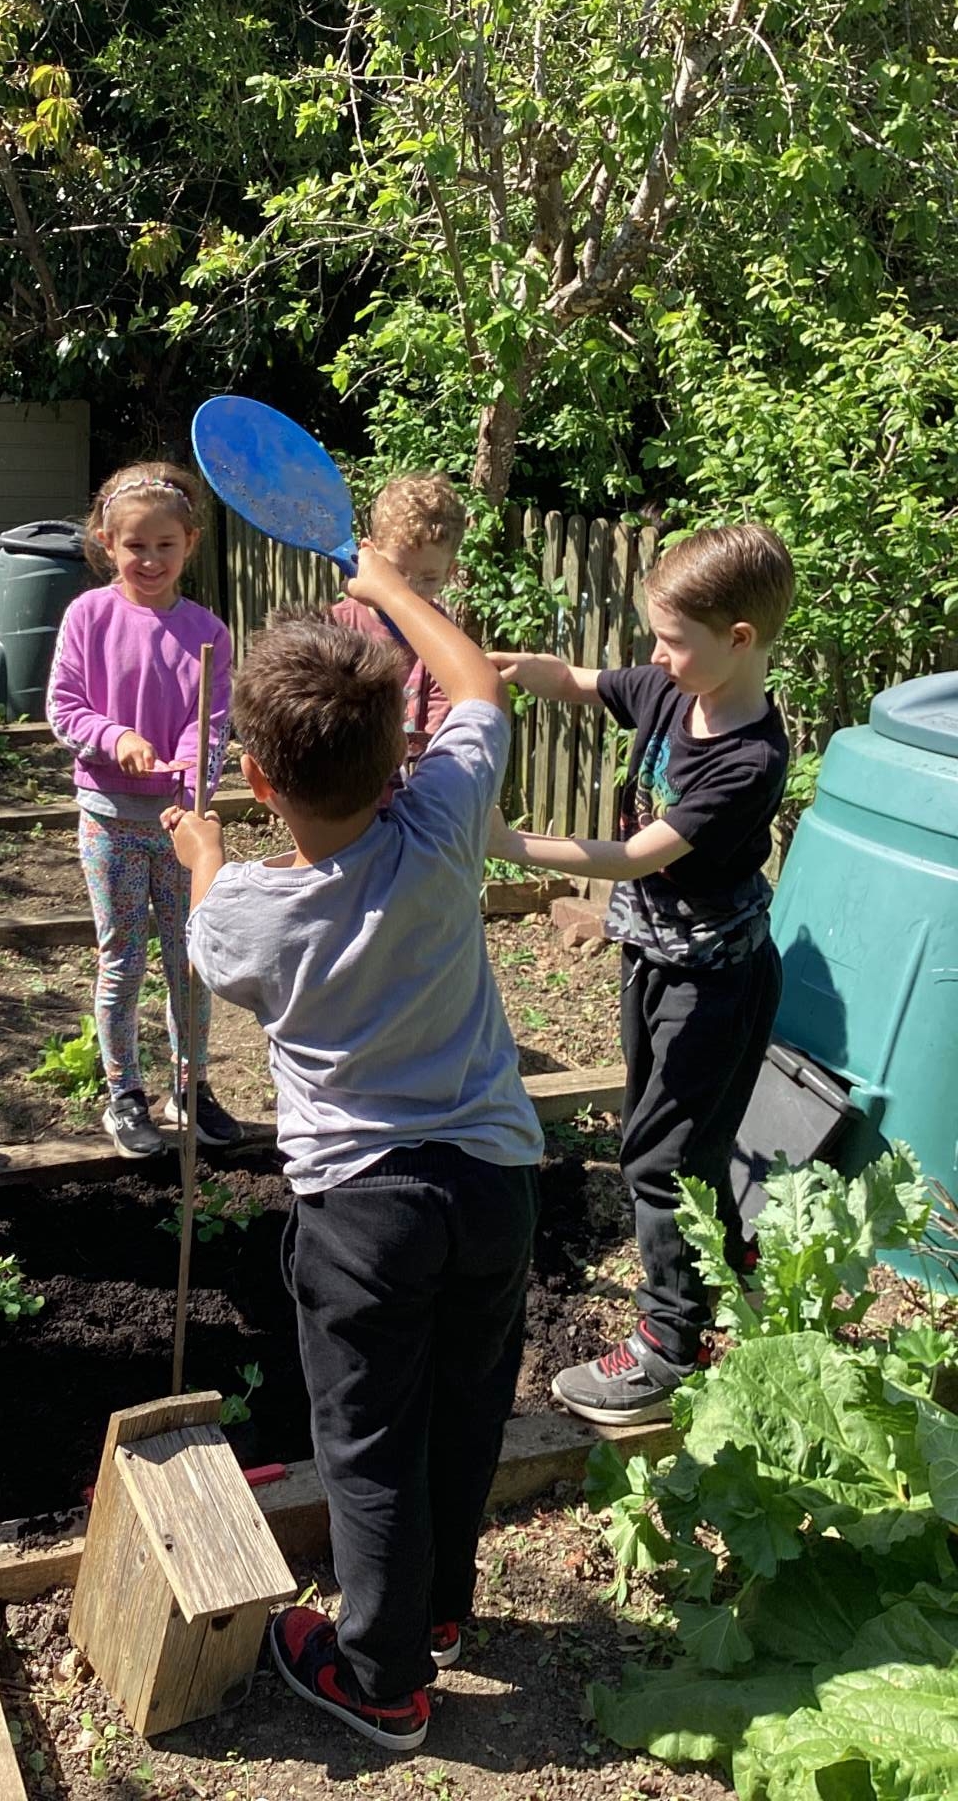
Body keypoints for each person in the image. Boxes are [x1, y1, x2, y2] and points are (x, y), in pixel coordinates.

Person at [164, 550, 542, 1751]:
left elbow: (214, 938)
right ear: (398, 761)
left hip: (364, 1214)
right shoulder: (443, 821)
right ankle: (437, 1616)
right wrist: (385, 586)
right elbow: (477, 685)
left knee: (369, 1442)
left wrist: (203, 855)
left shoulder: (242, 911)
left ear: (258, 778)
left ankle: (381, 1679)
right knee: (466, 1409)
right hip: (494, 1185)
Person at [488, 522, 795, 1424]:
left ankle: (669, 1349)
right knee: (679, 1139)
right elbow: (578, 681)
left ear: (740, 638)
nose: (654, 657)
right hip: (657, 957)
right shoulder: (674, 687)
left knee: (660, 1159)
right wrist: (510, 671)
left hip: (716, 984)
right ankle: (732, 1267)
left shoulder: (748, 760)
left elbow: (633, 856)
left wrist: (502, 841)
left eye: (671, 639)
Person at [46, 463, 241, 1159]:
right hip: (109, 821)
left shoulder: (207, 632)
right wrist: (115, 738)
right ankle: (123, 1091)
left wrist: (190, 777)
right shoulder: (88, 617)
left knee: (192, 960)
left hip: (180, 827)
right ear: (107, 543)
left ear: (190, 543)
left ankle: (191, 1084)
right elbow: (64, 706)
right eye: (135, 546)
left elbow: (210, 723)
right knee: (123, 958)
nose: (150, 560)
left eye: (165, 545)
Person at [331, 472, 465, 775]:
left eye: (429, 578)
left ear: (449, 572)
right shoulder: (335, 625)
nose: (410, 589)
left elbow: (441, 722)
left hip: (411, 782)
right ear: (368, 554)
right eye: (398, 572)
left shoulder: (442, 638)